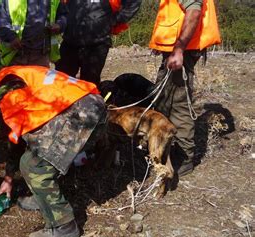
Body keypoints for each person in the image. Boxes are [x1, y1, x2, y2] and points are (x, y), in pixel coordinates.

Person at [0, 66, 107, 237]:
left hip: (81, 115)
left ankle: (64, 225)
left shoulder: (6, 95)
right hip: (84, 105)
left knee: (36, 168)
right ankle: (44, 197)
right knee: (30, 160)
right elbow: (19, 142)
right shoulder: (10, 75)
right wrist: (9, 178)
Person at [149, 0, 221, 176]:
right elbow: (175, 16)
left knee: (179, 103)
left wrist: (179, 49)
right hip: (180, 48)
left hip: (184, 50)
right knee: (164, 98)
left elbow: (194, 13)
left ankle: (183, 157)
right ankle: (167, 148)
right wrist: (164, 45)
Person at [56, 0, 141, 85]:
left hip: (97, 44)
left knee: (90, 84)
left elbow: (133, 2)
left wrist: (115, 20)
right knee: (61, 80)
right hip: (70, 41)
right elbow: (58, 5)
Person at [0, 0, 68, 67]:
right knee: (15, 80)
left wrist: (59, 25)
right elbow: (2, 21)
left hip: (41, 56)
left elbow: (63, 15)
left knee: (38, 80)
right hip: (16, 55)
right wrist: (12, 37)